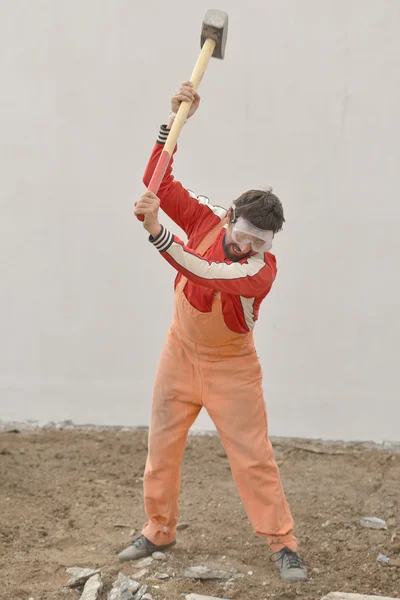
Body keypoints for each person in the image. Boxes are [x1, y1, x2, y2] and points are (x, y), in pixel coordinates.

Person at [118, 82, 307, 583]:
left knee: (253, 458)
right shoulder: (204, 217)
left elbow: (207, 274)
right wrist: (173, 125)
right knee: (160, 448)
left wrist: (158, 233)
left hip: (232, 369)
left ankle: (282, 542)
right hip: (178, 352)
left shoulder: (259, 271)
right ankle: (159, 528)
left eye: (259, 241)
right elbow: (156, 180)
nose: (247, 246)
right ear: (229, 216)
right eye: (243, 234)